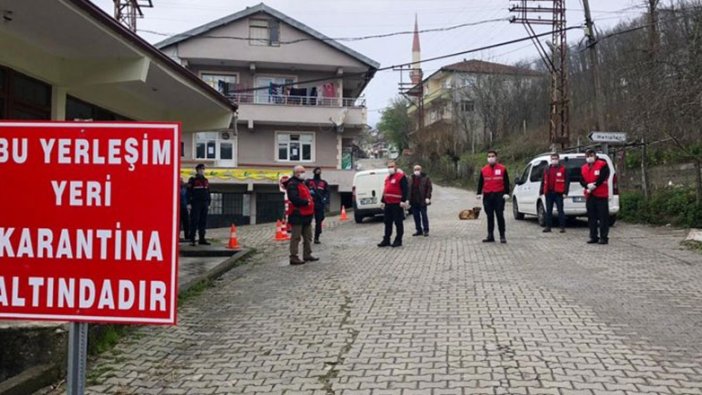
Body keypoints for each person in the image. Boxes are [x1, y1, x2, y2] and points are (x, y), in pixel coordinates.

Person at [286, 165, 319, 265]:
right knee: (296, 237)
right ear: (296, 173)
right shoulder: (292, 184)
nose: (304, 173)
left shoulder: (302, 183)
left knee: (308, 236)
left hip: (307, 215)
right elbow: (294, 198)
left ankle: (307, 254)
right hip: (297, 214)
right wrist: (306, 202)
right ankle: (293, 256)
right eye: (302, 171)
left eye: (304, 171)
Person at [477, 150, 510, 244]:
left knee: (500, 215)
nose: (491, 158)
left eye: (492, 156)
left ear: (496, 157)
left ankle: (502, 235)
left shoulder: (502, 169)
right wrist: (478, 193)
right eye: (489, 156)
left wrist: (507, 192)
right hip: (487, 195)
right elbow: (481, 182)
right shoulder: (484, 170)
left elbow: (506, 182)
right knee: (489, 216)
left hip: (499, 195)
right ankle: (490, 235)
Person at [580, 149, 611, 245]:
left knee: (603, 217)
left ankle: (604, 237)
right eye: (588, 155)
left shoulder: (602, 164)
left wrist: (595, 185)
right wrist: (586, 185)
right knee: (591, 217)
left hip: (601, 194)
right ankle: (593, 236)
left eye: (591, 155)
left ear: (595, 155)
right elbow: (581, 179)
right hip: (590, 195)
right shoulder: (584, 167)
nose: (589, 157)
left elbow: (604, 176)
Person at [378, 161, 409, 248]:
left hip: (397, 204)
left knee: (398, 222)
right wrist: (382, 201)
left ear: (396, 167)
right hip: (388, 204)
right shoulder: (388, 178)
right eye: (388, 167)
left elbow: (405, 189)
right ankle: (386, 239)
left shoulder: (401, 177)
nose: (390, 168)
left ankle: (398, 240)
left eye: (391, 166)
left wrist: (403, 200)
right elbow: (386, 190)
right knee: (387, 222)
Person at [540, 153, 570, 233]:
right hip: (548, 193)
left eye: (555, 158)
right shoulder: (547, 168)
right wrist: (541, 191)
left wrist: (565, 192)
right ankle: (548, 227)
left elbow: (567, 181)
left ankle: (562, 227)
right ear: (550, 159)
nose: (554, 160)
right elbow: (543, 180)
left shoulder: (563, 169)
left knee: (560, 210)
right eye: (553, 158)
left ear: (558, 159)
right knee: (548, 211)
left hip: (558, 193)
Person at [187, 164, 211, 246]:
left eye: (203, 169)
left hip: (204, 203)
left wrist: (209, 203)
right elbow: (189, 192)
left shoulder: (206, 180)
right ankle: (192, 239)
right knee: (194, 221)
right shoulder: (193, 180)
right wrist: (189, 203)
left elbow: (208, 192)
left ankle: (202, 239)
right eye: (200, 169)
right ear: (197, 170)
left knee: (203, 222)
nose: (202, 171)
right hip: (196, 203)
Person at [305, 167, 329, 245]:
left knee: (319, 220)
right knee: (307, 221)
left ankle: (316, 237)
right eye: (317, 171)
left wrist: (325, 200)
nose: (318, 172)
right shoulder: (309, 182)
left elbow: (327, 193)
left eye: (319, 171)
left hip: (320, 204)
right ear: (314, 172)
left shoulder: (323, 182)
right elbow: (303, 189)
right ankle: (306, 237)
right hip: (310, 203)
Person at [408, 164, 433, 237]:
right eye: (415, 169)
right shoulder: (411, 178)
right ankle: (418, 230)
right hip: (414, 200)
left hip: (422, 200)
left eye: (418, 169)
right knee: (416, 216)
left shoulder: (425, 178)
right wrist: (408, 199)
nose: (417, 171)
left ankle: (426, 230)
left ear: (421, 170)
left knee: (424, 215)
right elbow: (408, 189)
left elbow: (429, 188)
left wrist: (428, 197)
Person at [179, 177, 190, 242]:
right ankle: (178, 236)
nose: (181, 182)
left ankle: (187, 236)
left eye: (182, 180)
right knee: (179, 223)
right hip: (178, 207)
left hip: (184, 207)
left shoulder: (185, 189)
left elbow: (187, 197)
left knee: (186, 222)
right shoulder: (177, 189)